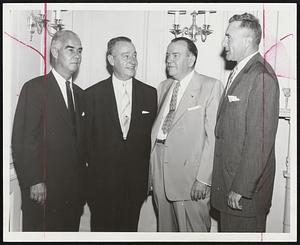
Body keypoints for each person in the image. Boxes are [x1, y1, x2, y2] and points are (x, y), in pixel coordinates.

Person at [211, 13, 280, 232]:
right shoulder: (241, 72)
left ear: (247, 40)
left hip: (243, 197)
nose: (224, 43)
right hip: (229, 188)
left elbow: (259, 143)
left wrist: (240, 188)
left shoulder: (261, 76)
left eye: (228, 37)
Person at [11, 30, 86, 231]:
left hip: (73, 195)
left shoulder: (80, 95)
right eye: (70, 50)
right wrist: (35, 180)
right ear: (54, 51)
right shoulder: (35, 88)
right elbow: (23, 140)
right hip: (44, 192)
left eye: (79, 51)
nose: (77, 56)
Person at [148, 37, 223, 232]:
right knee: (165, 231)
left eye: (175, 55)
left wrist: (204, 179)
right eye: (167, 55)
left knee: (193, 232)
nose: (169, 60)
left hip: (190, 179)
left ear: (191, 60)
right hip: (160, 171)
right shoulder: (163, 87)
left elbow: (214, 137)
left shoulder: (210, 86)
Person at [85, 36, 157, 231]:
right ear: (111, 60)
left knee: (129, 231)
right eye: (126, 56)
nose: (132, 61)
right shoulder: (92, 95)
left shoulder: (150, 94)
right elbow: (85, 143)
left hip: (135, 185)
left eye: (134, 55)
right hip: (101, 185)